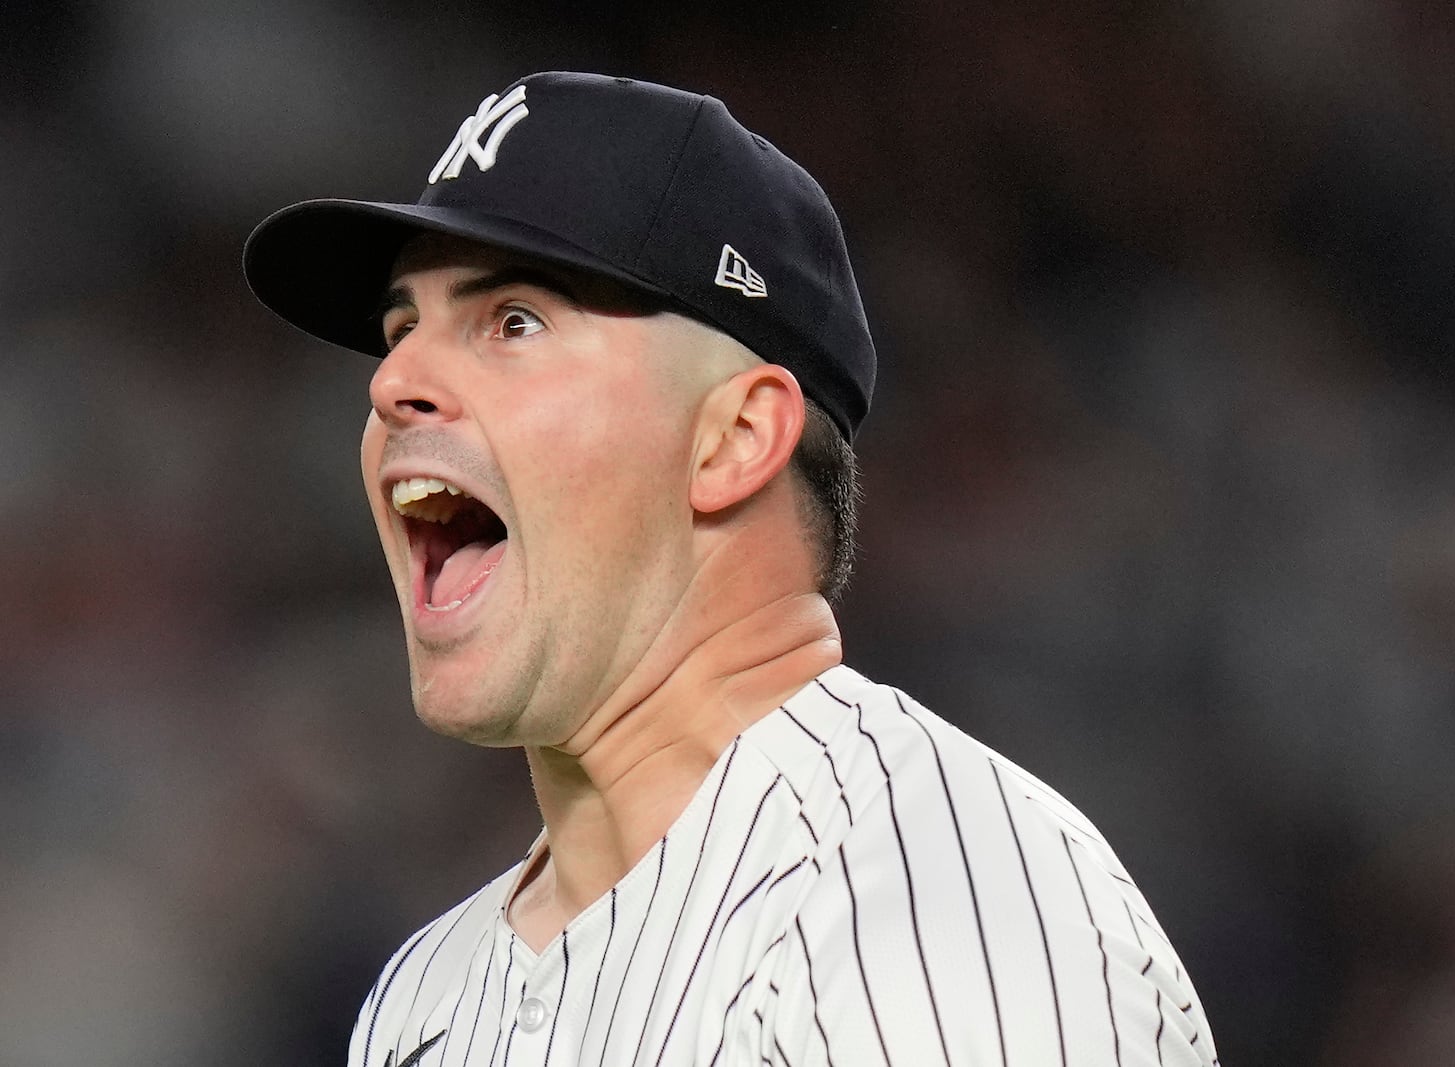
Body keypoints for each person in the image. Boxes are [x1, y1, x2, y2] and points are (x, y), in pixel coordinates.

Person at [244, 71, 1219, 1067]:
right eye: (403, 327)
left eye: (514, 321)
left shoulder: (923, 906)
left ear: (734, 439)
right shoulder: (425, 996)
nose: (391, 380)